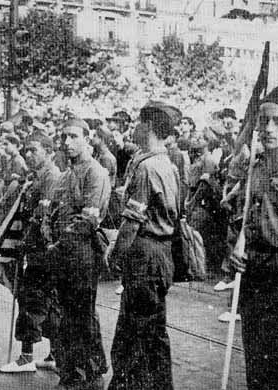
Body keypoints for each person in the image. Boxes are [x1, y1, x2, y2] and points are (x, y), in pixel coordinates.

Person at [107, 103, 181, 390]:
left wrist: (114, 255)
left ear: (149, 127)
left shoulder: (149, 167)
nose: (134, 128)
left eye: (138, 122)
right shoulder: (165, 164)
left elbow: (132, 222)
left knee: (133, 335)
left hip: (146, 254)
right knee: (153, 335)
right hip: (159, 254)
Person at [229, 87, 278, 390]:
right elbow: (247, 216)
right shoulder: (256, 167)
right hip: (255, 274)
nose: (269, 128)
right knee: (257, 362)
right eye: (263, 120)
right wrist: (239, 243)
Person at [45, 119, 111, 389]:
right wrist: (47, 232)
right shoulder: (66, 174)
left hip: (81, 253)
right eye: (64, 137)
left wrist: (57, 245)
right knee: (65, 315)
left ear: (88, 138)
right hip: (62, 253)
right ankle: (73, 371)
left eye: (73, 136)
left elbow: (88, 220)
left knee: (81, 315)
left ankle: (89, 372)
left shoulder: (96, 173)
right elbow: (51, 212)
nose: (67, 142)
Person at [0, 133, 62, 374]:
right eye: (26, 150)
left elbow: (41, 217)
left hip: (39, 249)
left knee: (33, 302)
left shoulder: (50, 177)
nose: (28, 154)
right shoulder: (36, 177)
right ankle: (53, 354)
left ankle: (26, 357)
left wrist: (26, 244)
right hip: (36, 248)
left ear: (48, 151)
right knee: (42, 302)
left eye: (33, 150)